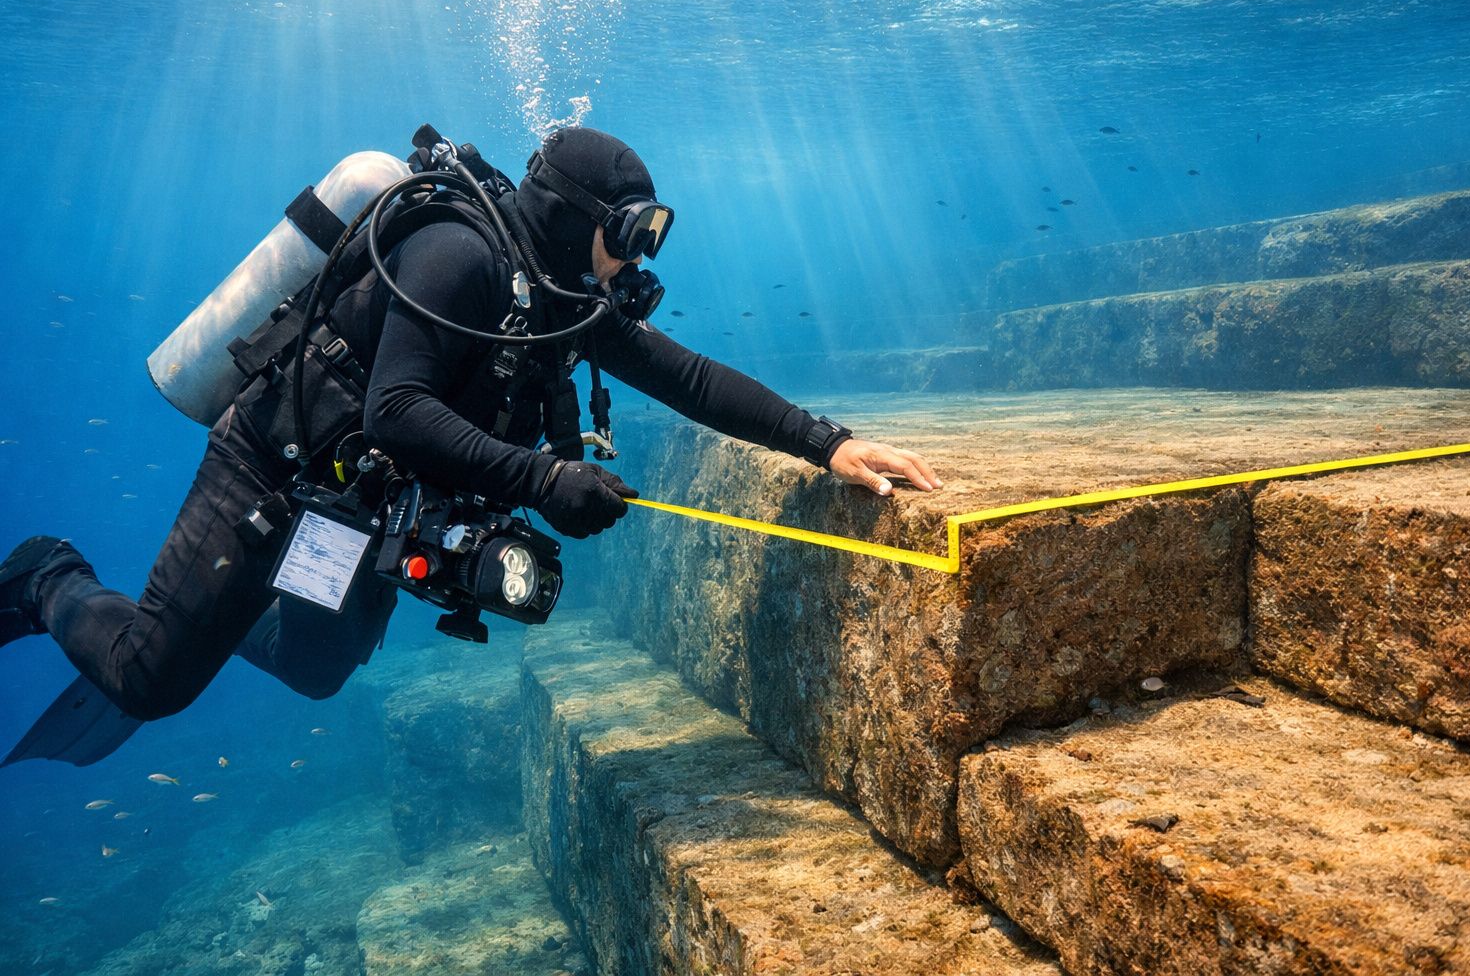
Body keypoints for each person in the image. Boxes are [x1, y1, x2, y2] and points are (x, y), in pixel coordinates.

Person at [0, 127, 941, 765]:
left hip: (358, 506)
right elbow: (397, 412)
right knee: (147, 681)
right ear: (577, 218)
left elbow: (689, 378)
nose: (637, 257)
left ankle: (220, 605)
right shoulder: (459, 256)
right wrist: (544, 477)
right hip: (275, 472)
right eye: (628, 233)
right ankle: (48, 577)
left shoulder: (565, 300)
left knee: (319, 669)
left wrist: (831, 445)